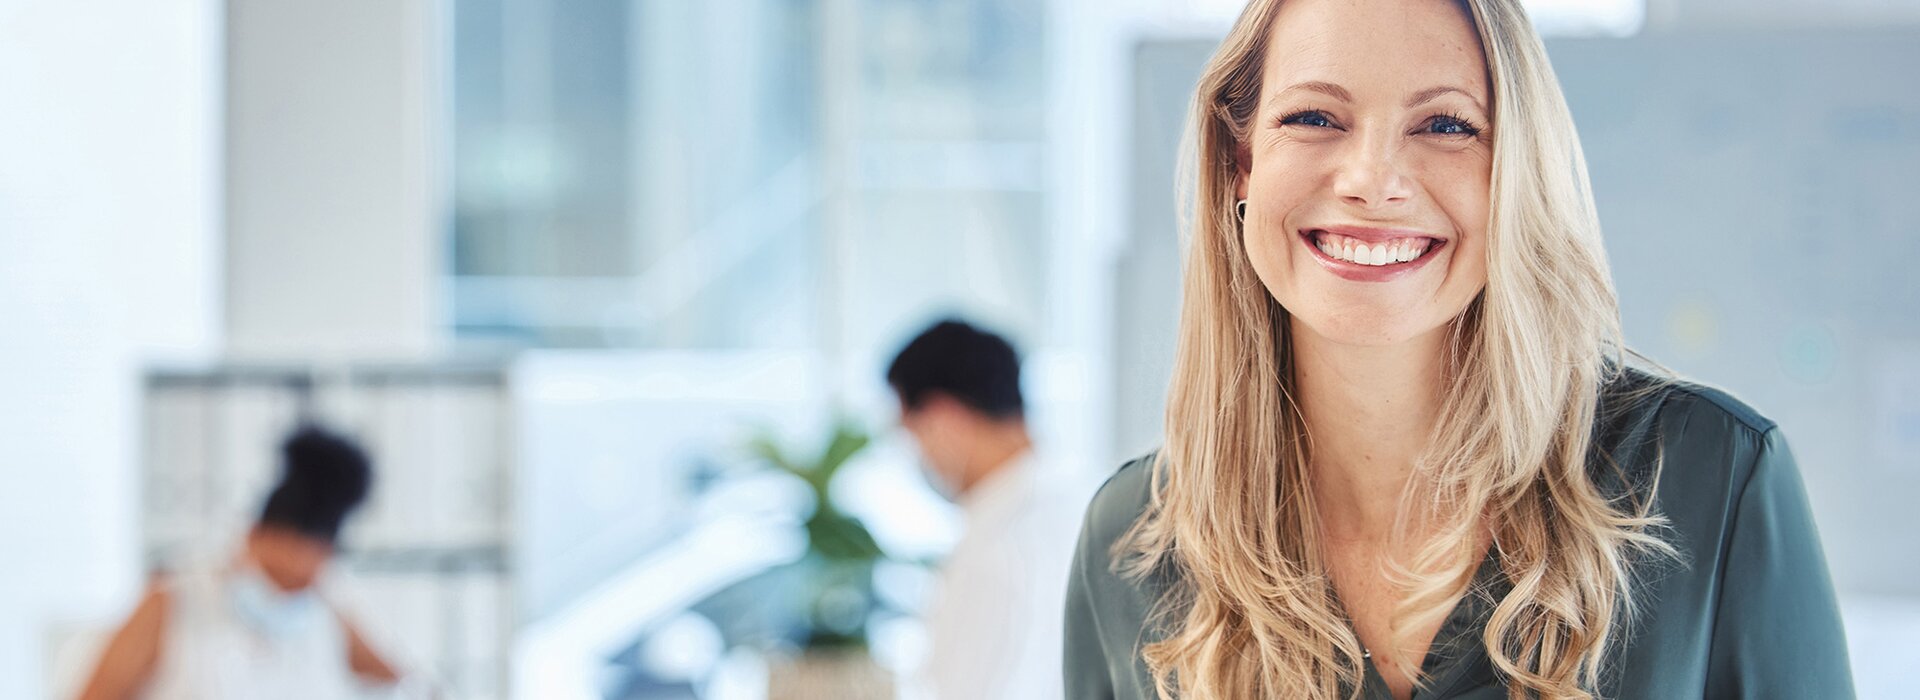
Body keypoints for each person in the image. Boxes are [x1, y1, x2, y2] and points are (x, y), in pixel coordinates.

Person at [1062, 0, 1853, 698]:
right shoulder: (1131, 544)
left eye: (1445, 125)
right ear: (1241, 161)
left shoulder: (1713, 479)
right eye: (1314, 118)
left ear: (1514, 171)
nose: (1373, 180)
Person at [77, 425, 418, 700]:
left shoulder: (326, 615)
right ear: (251, 536)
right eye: (273, 573)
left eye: (297, 583)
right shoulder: (173, 600)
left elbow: (410, 684)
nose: (284, 591)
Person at [888, 319, 1088, 700]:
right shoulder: (1079, 503)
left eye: (913, 432)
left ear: (944, 418)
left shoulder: (999, 544)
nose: (918, 454)